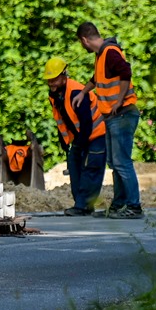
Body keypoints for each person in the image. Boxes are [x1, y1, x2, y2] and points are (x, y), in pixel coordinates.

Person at [78, 22, 143, 219]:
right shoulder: (101, 56)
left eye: (81, 44)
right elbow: (96, 79)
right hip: (114, 116)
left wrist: (120, 100)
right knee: (115, 162)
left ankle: (134, 207)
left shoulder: (110, 52)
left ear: (84, 40)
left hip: (122, 114)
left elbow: (126, 72)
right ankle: (118, 205)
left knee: (122, 162)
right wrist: (83, 93)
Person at [43, 57, 106, 217]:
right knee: (74, 166)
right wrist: (63, 140)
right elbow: (61, 118)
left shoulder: (76, 92)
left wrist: (79, 144)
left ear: (64, 75)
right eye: (49, 80)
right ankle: (81, 204)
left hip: (98, 134)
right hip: (81, 136)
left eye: (55, 79)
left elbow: (86, 123)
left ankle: (82, 206)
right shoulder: (55, 95)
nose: (51, 83)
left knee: (91, 170)